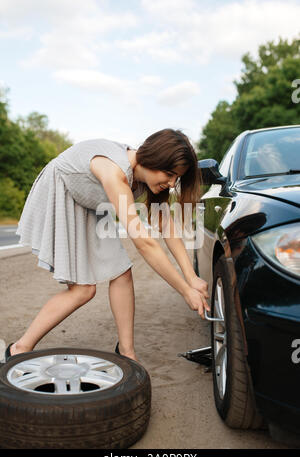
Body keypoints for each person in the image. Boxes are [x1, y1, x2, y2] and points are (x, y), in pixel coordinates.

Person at [6, 129, 210, 363]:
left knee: (121, 272)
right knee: (83, 290)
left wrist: (191, 276)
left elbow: (166, 225)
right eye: (170, 174)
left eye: (178, 178)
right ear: (153, 159)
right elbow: (144, 243)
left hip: (93, 200)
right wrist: (185, 291)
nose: (172, 183)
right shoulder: (116, 173)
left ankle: (127, 353)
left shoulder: (147, 180)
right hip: (63, 190)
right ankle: (18, 348)